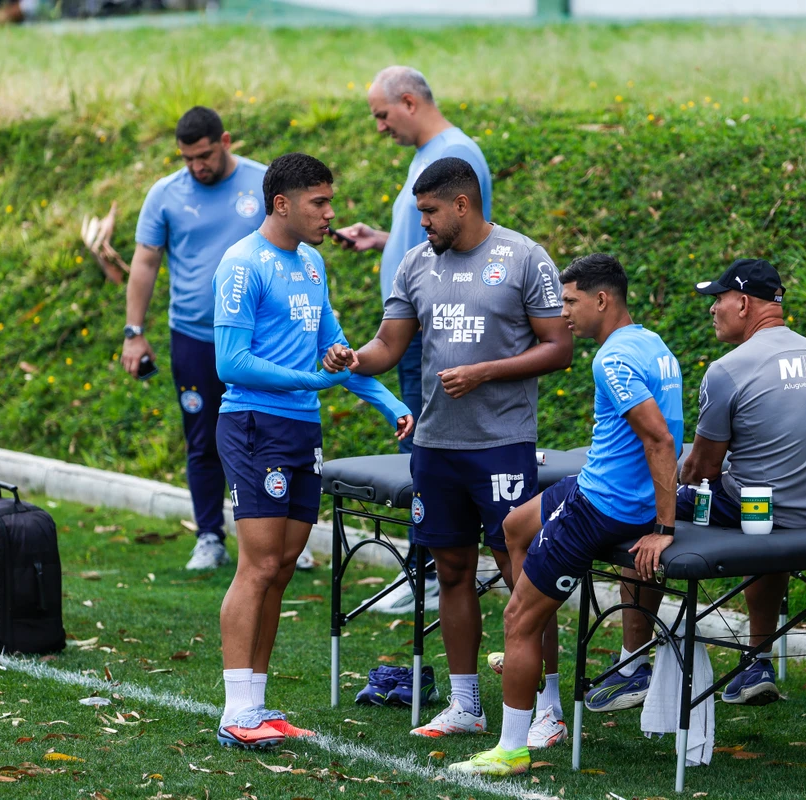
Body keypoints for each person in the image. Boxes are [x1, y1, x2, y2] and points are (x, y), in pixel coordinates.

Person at [323, 156, 572, 740]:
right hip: (434, 446)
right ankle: (466, 705)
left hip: (501, 445)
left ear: (463, 204)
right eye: (419, 213)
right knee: (452, 570)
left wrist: (485, 372)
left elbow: (558, 348)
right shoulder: (415, 263)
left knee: (525, 576)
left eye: (430, 212)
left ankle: (549, 708)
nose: (423, 223)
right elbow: (389, 343)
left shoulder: (524, 257)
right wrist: (355, 358)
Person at [449, 253, 684, 777]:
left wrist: (663, 530)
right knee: (514, 526)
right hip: (606, 488)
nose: (563, 312)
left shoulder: (612, 360)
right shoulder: (653, 344)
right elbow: (646, 439)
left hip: (602, 507)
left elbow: (660, 439)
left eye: (571, 301)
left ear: (602, 299)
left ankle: (518, 740)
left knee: (516, 618)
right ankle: (532, 643)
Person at [584, 258, 806, 714]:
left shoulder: (729, 369)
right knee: (762, 504)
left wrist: (676, 483)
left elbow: (701, 470)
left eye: (719, 299)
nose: (713, 309)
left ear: (744, 303)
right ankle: (758, 659)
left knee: (644, 513)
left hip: (764, 512)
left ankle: (631, 668)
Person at [211, 153, 413, 748]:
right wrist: (311, 380)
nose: (330, 213)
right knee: (259, 565)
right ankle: (234, 712)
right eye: (319, 203)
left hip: (301, 429)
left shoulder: (313, 263)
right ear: (283, 204)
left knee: (281, 569)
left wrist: (386, 401)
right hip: (254, 425)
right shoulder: (243, 265)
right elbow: (232, 363)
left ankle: (257, 706)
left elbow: (336, 350)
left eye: (329, 200)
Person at [335, 65, 492, 615]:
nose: (379, 126)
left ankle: (429, 572)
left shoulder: (456, 154)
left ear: (408, 101)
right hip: (412, 329)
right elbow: (430, 238)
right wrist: (381, 240)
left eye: (381, 114)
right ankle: (425, 567)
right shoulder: (427, 155)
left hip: (431, 334)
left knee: (427, 455)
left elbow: (465, 243)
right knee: (418, 448)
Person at [125, 106, 269, 571]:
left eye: (204, 155)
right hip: (193, 337)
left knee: (267, 434)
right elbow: (145, 262)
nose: (196, 166)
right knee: (202, 439)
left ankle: (281, 536)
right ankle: (210, 536)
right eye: (187, 158)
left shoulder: (264, 184)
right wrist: (134, 333)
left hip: (258, 338)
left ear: (225, 140)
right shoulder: (165, 194)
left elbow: (295, 247)